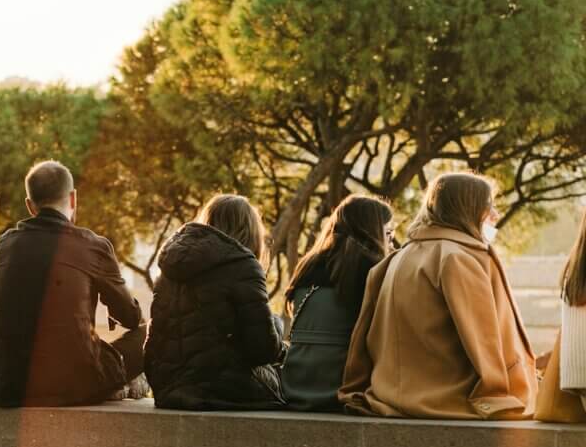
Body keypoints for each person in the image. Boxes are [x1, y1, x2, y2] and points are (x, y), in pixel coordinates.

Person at [341, 172, 534, 419]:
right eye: (489, 206)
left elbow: (363, 337)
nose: (495, 214)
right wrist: (499, 398)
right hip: (446, 399)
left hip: (389, 395)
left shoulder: (397, 258)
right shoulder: (458, 258)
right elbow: (483, 341)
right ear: (467, 208)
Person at [0, 161, 146, 408]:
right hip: (75, 385)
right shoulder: (92, 245)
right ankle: (124, 382)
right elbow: (131, 318)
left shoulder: (4, 245)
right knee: (145, 332)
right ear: (73, 199)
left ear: (29, 205)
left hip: (11, 387)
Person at [145, 194, 285, 411]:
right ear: (250, 230)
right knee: (287, 374)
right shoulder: (244, 266)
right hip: (221, 390)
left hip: (167, 388)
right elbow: (263, 351)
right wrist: (277, 325)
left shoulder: (168, 268)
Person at [280, 195, 394, 412]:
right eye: (388, 234)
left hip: (295, 386)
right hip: (342, 389)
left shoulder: (309, 266)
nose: (391, 243)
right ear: (373, 232)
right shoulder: (373, 270)